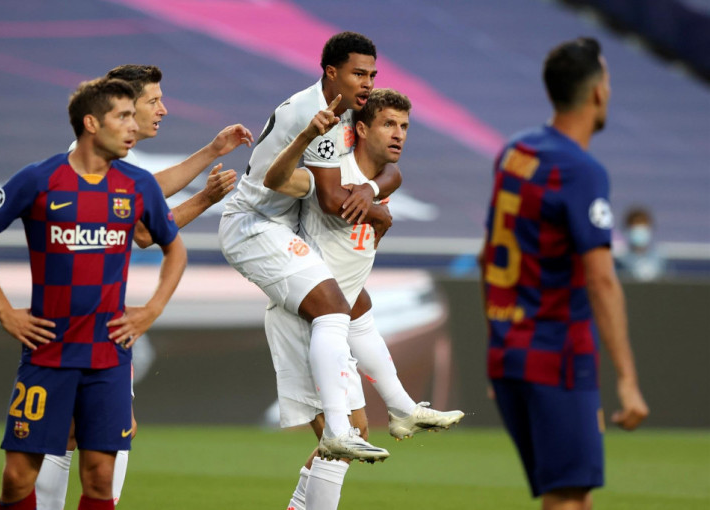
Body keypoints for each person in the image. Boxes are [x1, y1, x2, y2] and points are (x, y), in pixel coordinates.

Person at [0, 77, 187, 510]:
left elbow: (174, 248)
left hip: (108, 355)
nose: (133, 126)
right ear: (91, 123)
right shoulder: (40, 179)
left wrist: (152, 309)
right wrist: (4, 311)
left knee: (100, 478)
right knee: (16, 478)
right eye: (122, 116)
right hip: (48, 351)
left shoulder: (138, 184)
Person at [36, 64, 252, 509]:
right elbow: (144, 230)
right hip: (89, 318)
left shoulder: (98, 159)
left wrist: (212, 152)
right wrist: (206, 196)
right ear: (124, 107)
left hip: (74, 313)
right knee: (110, 431)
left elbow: (145, 195)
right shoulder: (96, 164)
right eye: (153, 101)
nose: (163, 110)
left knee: (70, 431)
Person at [265, 88, 465, 510]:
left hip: (339, 310)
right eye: (388, 124)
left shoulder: (384, 178)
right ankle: (400, 409)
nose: (399, 134)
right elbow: (290, 183)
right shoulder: (329, 171)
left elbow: (387, 185)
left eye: (404, 126)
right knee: (343, 438)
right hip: (307, 320)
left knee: (354, 432)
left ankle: (400, 409)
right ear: (360, 129)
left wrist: (372, 197)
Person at [479, 37, 649, 509]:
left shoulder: (514, 152)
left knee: (572, 493)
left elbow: (487, 256)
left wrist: (500, 344)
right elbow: (601, 279)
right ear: (597, 92)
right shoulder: (580, 171)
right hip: (557, 356)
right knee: (568, 497)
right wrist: (628, 379)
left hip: (509, 353)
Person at [219, 31, 398, 462]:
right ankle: (347, 423)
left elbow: (389, 168)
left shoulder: (345, 112)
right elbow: (333, 201)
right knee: (336, 307)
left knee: (352, 307)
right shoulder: (317, 114)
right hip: (256, 224)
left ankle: (380, 414)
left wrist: (371, 191)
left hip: (291, 229)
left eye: (372, 75)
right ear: (331, 73)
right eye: (359, 73)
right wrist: (376, 211)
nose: (368, 82)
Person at [618, 206, 666, 281]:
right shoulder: (620, 262)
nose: (639, 232)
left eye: (643, 227)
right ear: (627, 230)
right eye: (635, 228)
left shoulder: (661, 260)